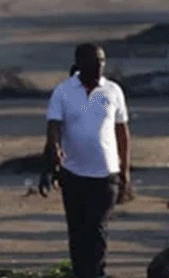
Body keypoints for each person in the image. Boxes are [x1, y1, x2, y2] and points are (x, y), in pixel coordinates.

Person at [40, 44, 131, 278]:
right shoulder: (63, 92)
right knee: (78, 233)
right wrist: (54, 148)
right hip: (74, 175)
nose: (99, 66)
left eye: (102, 61)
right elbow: (53, 126)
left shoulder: (113, 91)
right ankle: (82, 273)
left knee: (96, 229)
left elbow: (122, 131)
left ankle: (96, 274)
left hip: (106, 175)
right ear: (79, 63)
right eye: (94, 61)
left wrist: (125, 170)